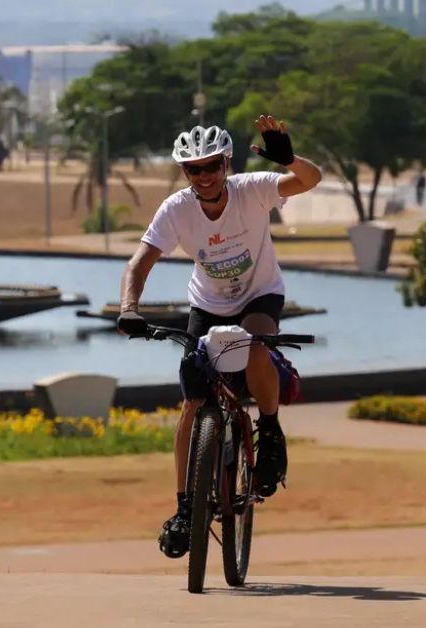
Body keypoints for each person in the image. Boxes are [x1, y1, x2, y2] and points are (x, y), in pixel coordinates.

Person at [116, 115, 323, 559]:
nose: (205, 176)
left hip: (260, 296)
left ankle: (270, 431)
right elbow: (139, 263)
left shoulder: (253, 189)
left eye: (212, 165)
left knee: (256, 347)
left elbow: (310, 180)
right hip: (207, 304)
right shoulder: (176, 209)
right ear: (184, 172)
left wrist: (289, 159)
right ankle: (184, 507)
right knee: (192, 402)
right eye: (194, 169)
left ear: (226, 163)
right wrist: (129, 308)